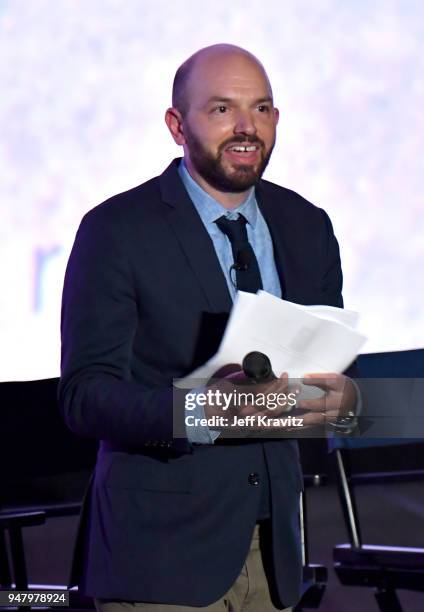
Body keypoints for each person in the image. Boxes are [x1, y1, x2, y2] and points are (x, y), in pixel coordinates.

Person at [59, 44, 358, 611]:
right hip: (159, 559)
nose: (247, 127)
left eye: (263, 108)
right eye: (222, 110)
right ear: (177, 124)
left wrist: (338, 397)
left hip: (277, 555)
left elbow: (333, 366)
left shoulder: (306, 224)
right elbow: (84, 397)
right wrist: (200, 413)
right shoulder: (115, 230)